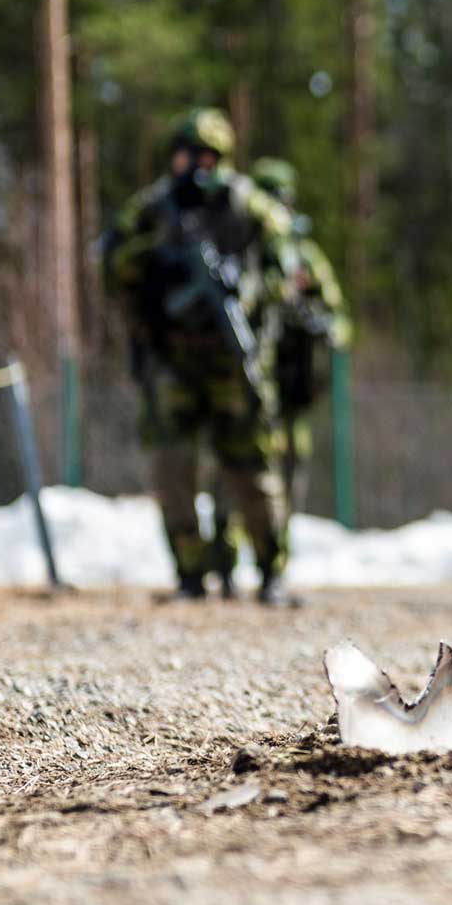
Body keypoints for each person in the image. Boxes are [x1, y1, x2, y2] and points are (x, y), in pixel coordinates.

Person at [103, 108, 302, 606]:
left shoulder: (248, 204)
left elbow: (287, 259)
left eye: (208, 157)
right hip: (173, 360)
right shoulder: (153, 208)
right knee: (172, 468)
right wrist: (158, 255)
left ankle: (271, 572)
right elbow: (110, 259)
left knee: (251, 469)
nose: (196, 167)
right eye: (187, 155)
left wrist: (251, 290)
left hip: (231, 361)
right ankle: (191, 575)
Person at [248, 158, 352, 512]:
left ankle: (279, 546)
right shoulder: (243, 256)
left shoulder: (304, 258)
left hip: (292, 381)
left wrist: (321, 325)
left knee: (291, 463)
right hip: (245, 381)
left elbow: (339, 319)